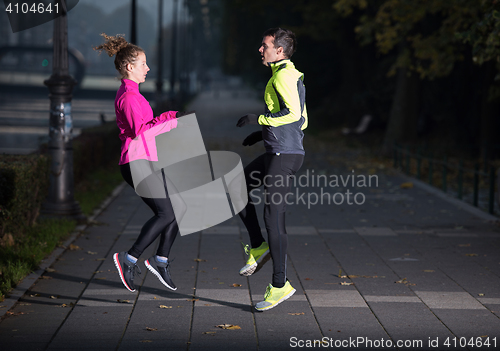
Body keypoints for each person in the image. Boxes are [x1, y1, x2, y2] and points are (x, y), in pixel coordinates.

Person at [93, 34, 180, 293]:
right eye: (143, 63)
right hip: (135, 162)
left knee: (176, 208)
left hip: (144, 160)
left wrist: (173, 118)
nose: (148, 68)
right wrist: (172, 116)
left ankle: (160, 260)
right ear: (129, 67)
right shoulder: (129, 97)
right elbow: (141, 132)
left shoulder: (133, 94)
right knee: (167, 213)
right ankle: (129, 258)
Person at [236, 28, 308, 311]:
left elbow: (293, 114)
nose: (260, 49)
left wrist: (259, 119)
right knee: (236, 186)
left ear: (279, 50)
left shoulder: (282, 75)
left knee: (273, 218)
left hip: (283, 156)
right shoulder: (291, 74)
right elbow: (302, 123)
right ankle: (258, 246)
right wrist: (264, 132)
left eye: (264, 45)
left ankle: (280, 285)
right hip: (280, 152)